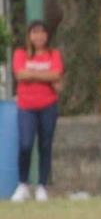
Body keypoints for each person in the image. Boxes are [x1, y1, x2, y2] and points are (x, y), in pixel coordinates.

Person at [10, 20, 64, 203]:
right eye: (35, 32)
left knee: (45, 145)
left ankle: (42, 186)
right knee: (25, 144)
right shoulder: (20, 53)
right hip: (26, 107)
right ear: (29, 35)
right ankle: (23, 184)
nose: (38, 36)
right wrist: (46, 76)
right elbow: (19, 74)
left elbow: (57, 75)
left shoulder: (53, 54)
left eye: (42, 32)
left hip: (48, 106)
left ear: (47, 35)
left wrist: (31, 74)